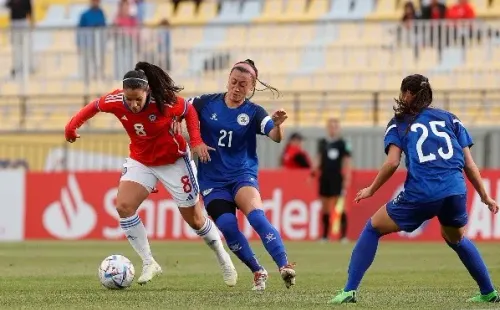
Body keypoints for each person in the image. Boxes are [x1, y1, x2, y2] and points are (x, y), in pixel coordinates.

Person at [329, 74, 500, 304]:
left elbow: (392, 162)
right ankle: (488, 292)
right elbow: (469, 164)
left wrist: (371, 189)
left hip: (423, 191)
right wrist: (485, 196)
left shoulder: (399, 122)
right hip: (455, 190)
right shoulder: (451, 118)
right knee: (456, 238)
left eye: (402, 93)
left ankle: (349, 291)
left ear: (408, 94)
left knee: (373, 227)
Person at [64, 61, 237, 287]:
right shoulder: (116, 100)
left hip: (174, 161)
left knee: (195, 220)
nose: (133, 104)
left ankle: (224, 259)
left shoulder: (163, 101)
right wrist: (71, 127)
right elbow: (94, 106)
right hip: (141, 160)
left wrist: (195, 141)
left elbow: (189, 110)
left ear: (147, 92)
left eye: (138, 99)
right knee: (123, 206)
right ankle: (148, 262)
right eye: (129, 99)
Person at [179, 59, 296, 291]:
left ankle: (284, 265)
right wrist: (195, 141)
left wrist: (278, 125)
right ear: (228, 80)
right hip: (212, 181)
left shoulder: (253, 112)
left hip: (242, 175)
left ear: (251, 88)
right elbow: (179, 110)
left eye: (243, 84)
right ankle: (257, 270)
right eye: (234, 82)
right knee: (228, 226)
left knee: (256, 217)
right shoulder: (205, 103)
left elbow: (273, 135)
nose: (237, 88)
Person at [312, 118, 352, 243]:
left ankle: (343, 236)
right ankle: (325, 236)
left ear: (338, 129)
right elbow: (318, 158)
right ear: (327, 128)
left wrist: (347, 177)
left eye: (335, 126)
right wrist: (313, 170)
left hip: (337, 178)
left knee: (340, 206)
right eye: (331, 126)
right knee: (325, 207)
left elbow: (347, 161)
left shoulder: (343, 143)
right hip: (324, 177)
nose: (333, 129)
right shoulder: (322, 142)